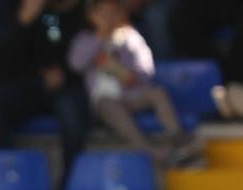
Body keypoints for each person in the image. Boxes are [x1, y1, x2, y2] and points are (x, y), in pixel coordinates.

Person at [71, 0, 199, 165]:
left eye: (112, 13)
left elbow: (146, 67)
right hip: (103, 101)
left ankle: (178, 138)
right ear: (91, 16)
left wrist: (133, 76)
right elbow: (75, 64)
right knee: (107, 104)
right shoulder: (85, 40)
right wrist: (99, 39)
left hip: (131, 94)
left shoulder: (130, 37)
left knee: (157, 93)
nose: (108, 18)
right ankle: (151, 151)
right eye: (102, 14)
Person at [0, 0, 90, 177]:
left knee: (72, 115)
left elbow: (95, 51)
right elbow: (4, 64)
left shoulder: (86, 12)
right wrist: (22, 23)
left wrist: (66, 74)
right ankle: (12, 174)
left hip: (71, 85)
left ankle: (72, 181)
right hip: (32, 84)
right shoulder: (28, 11)